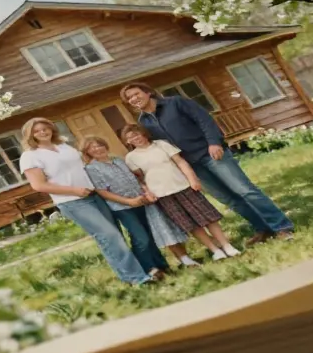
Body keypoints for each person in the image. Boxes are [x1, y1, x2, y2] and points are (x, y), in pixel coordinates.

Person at [119, 82, 295, 245]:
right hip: (191, 166)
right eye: (129, 98)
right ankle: (262, 228)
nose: (133, 99)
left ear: (148, 92)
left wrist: (214, 142)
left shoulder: (176, 103)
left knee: (245, 191)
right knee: (229, 199)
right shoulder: (144, 122)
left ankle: (281, 227)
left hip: (210, 153)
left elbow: (204, 119)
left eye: (136, 94)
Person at [16, 117, 153, 286]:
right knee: (108, 235)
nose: (42, 132)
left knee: (115, 235)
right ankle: (137, 279)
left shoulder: (64, 146)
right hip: (73, 202)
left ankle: (135, 273)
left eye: (45, 128)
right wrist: (74, 190)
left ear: (52, 129)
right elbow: (39, 185)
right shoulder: (30, 156)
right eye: (37, 131)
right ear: (30, 134)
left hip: (95, 195)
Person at [118, 124, 242, 261]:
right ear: (127, 141)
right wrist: (148, 192)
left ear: (144, 134)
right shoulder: (131, 157)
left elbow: (181, 162)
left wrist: (192, 179)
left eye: (137, 134)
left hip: (183, 187)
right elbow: (140, 179)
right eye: (130, 137)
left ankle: (227, 246)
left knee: (208, 217)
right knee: (191, 224)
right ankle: (214, 250)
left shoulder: (161, 145)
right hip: (162, 196)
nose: (135, 138)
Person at [80, 135, 197, 273]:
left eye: (99, 145)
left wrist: (145, 191)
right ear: (87, 152)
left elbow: (136, 180)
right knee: (141, 238)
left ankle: (162, 266)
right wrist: (128, 201)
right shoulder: (92, 168)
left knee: (151, 235)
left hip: (142, 202)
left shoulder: (118, 160)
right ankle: (149, 268)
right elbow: (103, 192)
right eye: (92, 148)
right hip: (123, 207)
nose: (97, 149)